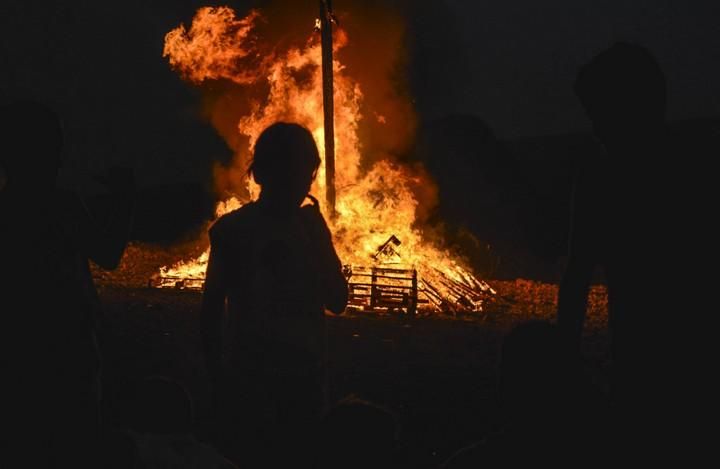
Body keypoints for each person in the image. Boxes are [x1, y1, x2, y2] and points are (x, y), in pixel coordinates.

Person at [556, 43, 685, 455]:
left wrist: (564, 361)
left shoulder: (601, 179)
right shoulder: (691, 165)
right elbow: (576, 276)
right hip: (638, 360)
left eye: (600, 114)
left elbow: (576, 276)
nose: (595, 128)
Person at [201, 122, 348, 466]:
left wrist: (319, 242)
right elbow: (210, 313)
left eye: (304, 175)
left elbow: (337, 300)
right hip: (254, 380)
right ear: (262, 173)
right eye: (294, 173)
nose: (300, 185)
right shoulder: (232, 231)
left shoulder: (300, 227)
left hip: (300, 379)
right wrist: (218, 380)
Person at [0, 99, 135, 467]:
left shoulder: (8, 208)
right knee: (74, 439)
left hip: (18, 350)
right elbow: (108, 255)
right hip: (67, 345)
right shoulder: (63, 206)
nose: (60, 156)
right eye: (53, 146)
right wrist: (124, 200)